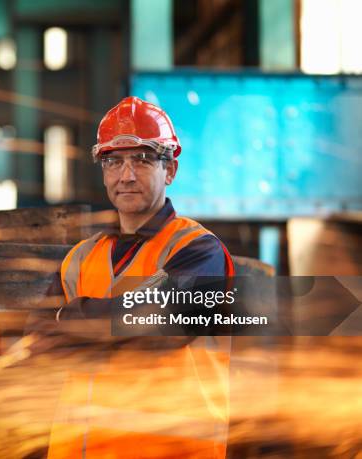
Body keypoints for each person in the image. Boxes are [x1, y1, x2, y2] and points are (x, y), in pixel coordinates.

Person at [36, 96, 235, 458]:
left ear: (170, 170)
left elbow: (159, 329)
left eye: (143, 159)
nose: (126, 175)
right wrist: (121, 317)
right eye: (113, 162)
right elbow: (40, 343)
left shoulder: (198, 251)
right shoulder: (80, 259)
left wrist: (73, 319)